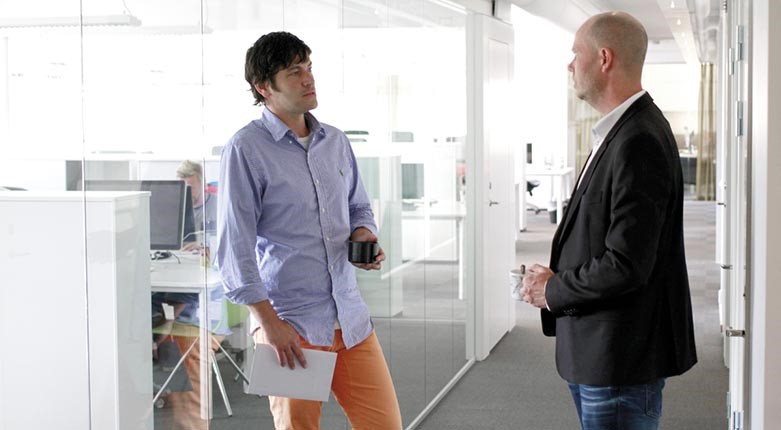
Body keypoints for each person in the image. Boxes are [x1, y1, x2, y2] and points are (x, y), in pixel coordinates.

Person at [519, 12, 697, 430]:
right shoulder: (621, 132)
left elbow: (626, 264)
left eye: (575, 53)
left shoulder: (639, 139)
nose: (570, 65)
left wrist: (553, 289)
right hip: (599, 350)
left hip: (620, 358)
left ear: (603, 58)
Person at [216, 31, 402, 429]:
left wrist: (363, 233)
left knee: (385, 424)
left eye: (309, 67)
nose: (308, 78)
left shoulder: (334, 141)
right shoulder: (246, 149)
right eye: (294, 72)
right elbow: (235, 249)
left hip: (350, 320)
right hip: (291, 327)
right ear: (264, 87)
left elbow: (358, 205)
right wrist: (269, 325)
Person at [176, 159, 217, 251]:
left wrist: (203, 244)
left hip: (207, 256)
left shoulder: (218, 206)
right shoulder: (175, 208)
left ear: (203, 184)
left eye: (189, 188)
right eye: (182, 188)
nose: (185, 193)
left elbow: (227, 239)